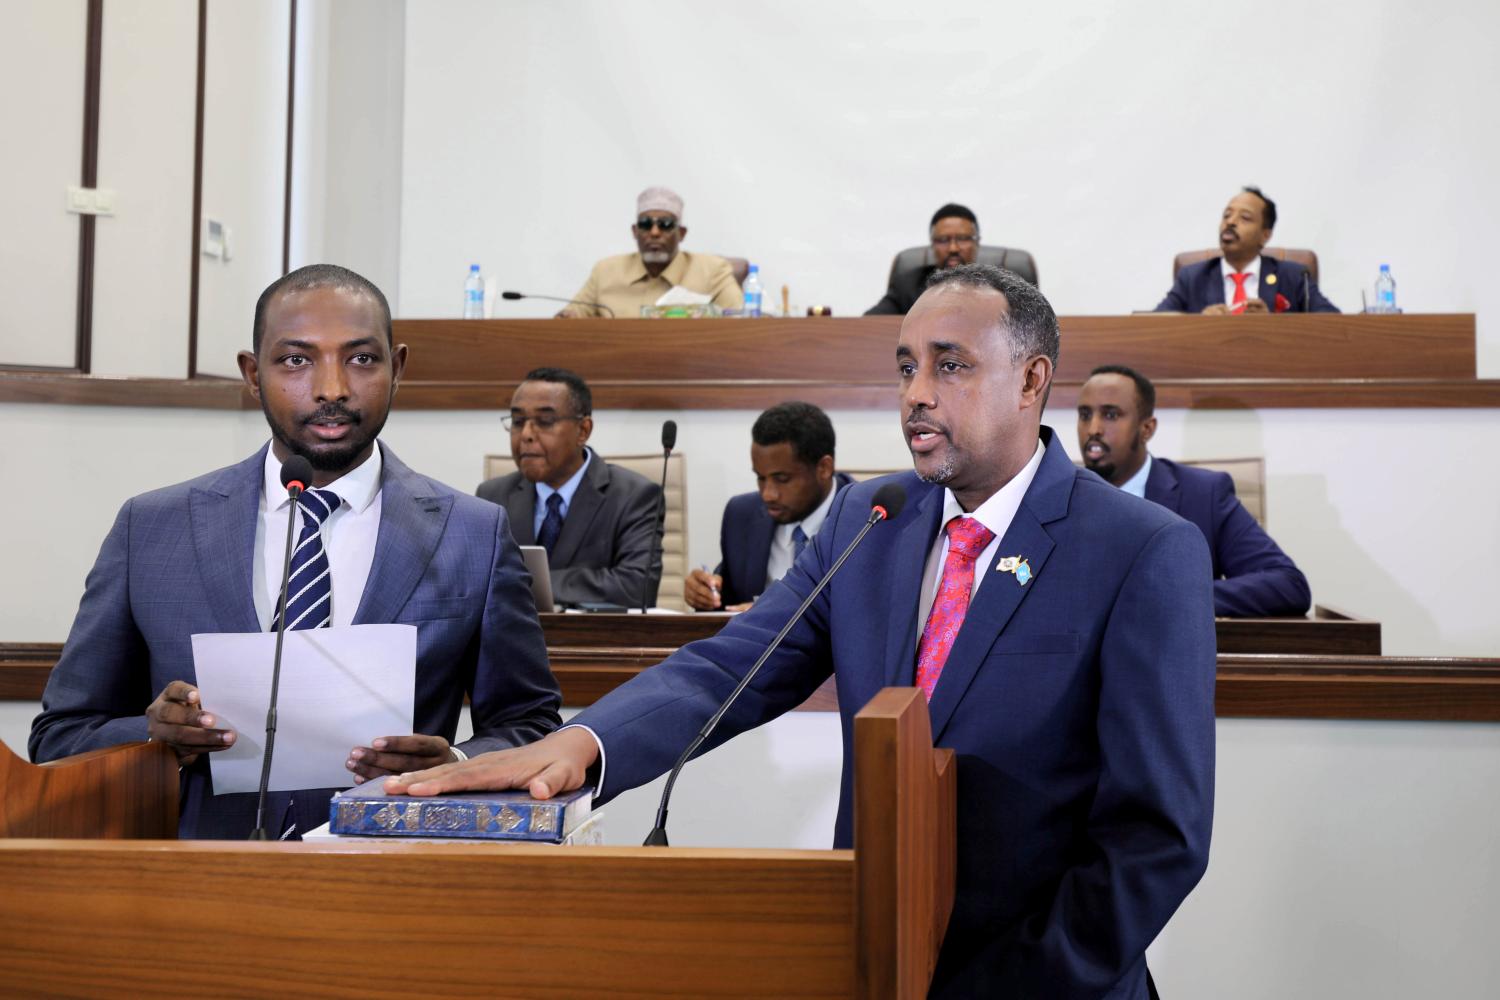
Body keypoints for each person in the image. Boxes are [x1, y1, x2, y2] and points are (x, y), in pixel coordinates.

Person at [388, 264, 1217, 998]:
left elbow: (1156, 838)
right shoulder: (873, 515)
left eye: (950, 366)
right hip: (871, 957)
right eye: (905, 368)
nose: (916, 394)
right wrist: (585, 745)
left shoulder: (1140, 550)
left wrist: (1017, 981)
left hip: (1046, 980)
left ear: (1031, 379)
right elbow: (735, 664)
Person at [29, 264, 562, 839]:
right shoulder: (152, 528)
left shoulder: (473, 533)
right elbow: (61, 735)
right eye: (295, 361)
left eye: (361, 359)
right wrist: (156, 737)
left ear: (398, 368)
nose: (332, 388)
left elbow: (528, 723)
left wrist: (455, 764)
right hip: (193, 887)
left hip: (396, 884)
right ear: (253, 375)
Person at [1077, 364, 1313, 617]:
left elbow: (1288, 584)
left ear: (1147, 429)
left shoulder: (1204, 495)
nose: (1093, 429)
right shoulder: (1057, 492)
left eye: (1111, 415)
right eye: (1085, 414)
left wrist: (1174, 597)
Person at [477, 368, 662, 609]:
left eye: (545, 421)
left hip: (594, 642)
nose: (526, 435)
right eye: (518, 421)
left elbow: (637, 587)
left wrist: (524, 581)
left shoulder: (634, 496)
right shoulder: (492, 496)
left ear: (583, 430)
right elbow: (475, 583)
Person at [684, 401, 853, 611]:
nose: (768, 494)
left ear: (824, 468)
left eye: (782, 479)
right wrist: (704, 594)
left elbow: (868, 615)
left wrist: (768, 612)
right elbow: (728, 599)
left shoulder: (868, 519)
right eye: (760, 478)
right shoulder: (741, 515)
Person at [557, 186, 743, 318]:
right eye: (646, 224)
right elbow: (570, 317)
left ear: (681, 233)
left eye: (665, 225)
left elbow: (742, 319)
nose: (654, 233)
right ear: (635, 232)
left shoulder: (712, 271)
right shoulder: (605, 271)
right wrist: (567, 317)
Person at [1156, 186, 1339, 313]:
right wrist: (1200, 324)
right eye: (1227, 215)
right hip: (1210, 366)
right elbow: (1155, 323)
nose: (1231, 221)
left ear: (1265, 235)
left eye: (1245, 218)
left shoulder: (1293, 276)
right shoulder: (1193, 277)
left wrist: (1271, 325)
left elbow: (1332, 323)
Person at [865, 203, 984, 315]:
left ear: (977, 242)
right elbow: (869, 323)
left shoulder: (997, 285)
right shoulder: (908, 285)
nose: (953, 248)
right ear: (932, 245)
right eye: (943, 240)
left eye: (962, 238)